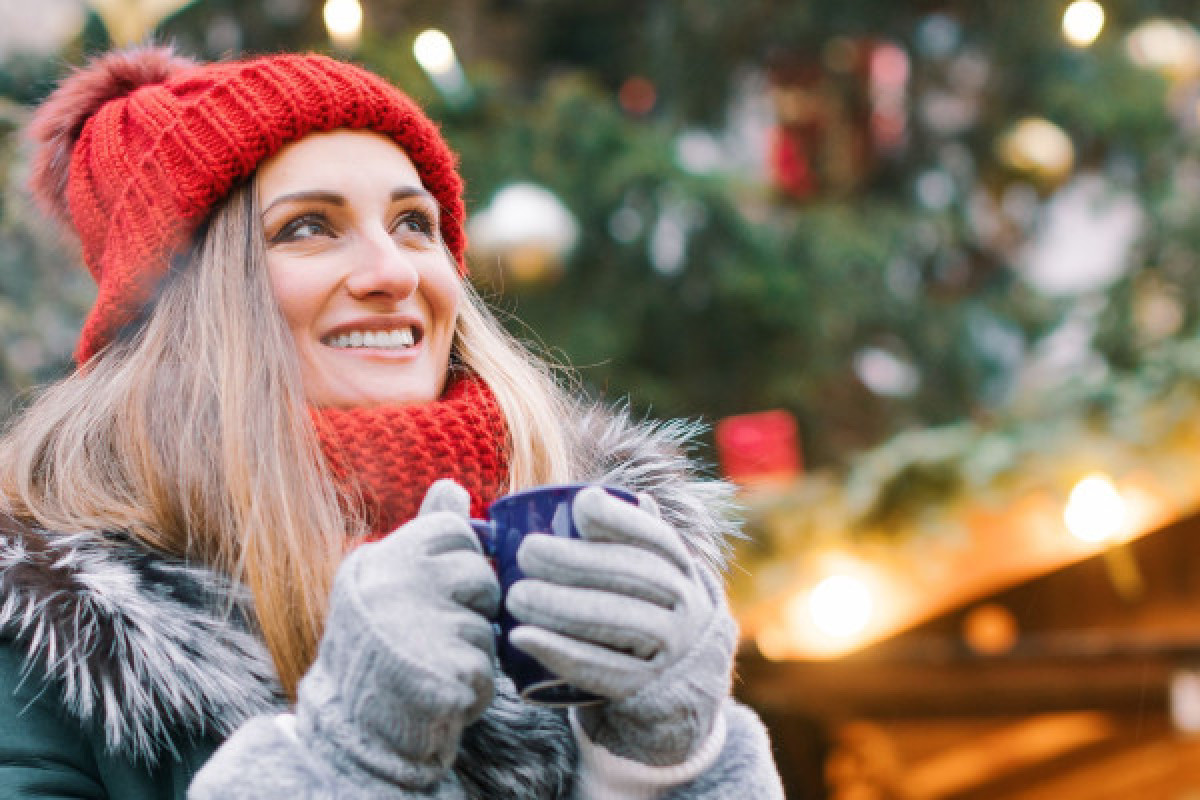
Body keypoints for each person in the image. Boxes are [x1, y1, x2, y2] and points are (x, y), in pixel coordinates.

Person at [0, 45, 785, 799]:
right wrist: (346, 759)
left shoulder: (589, 534)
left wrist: (669, 767)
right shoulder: (49, 629)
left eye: (416, 223)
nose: (394, 271)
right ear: (186, 308)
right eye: (307, 226)